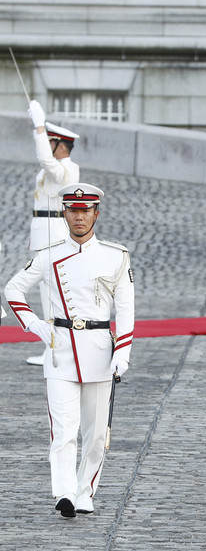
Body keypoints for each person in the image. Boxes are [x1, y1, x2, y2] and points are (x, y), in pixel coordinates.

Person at [4, 183, 134, 518]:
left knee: (95, 433)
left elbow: (126, 309)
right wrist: (34, 324)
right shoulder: (48, 256)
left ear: (96, 214)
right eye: (73, 210)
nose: (79, 216)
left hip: (100, 350)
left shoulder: (115, 256)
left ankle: (85, 491)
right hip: (60, 350)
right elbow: (14, 289)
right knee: (63, 430)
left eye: (85, 210)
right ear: (64, 213)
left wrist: (123, 354)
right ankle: (63, 493)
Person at [25, 99, 81, 366]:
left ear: (60, 146)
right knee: (48, 293)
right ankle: (53, 346)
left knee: (51, 294)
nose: (46, 147)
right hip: (45, 232)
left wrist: (38, 125)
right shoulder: (60, 167)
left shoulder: (64, 169)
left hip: (52, 234)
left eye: (50, 142)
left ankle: (55, 348)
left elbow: (45, 160)